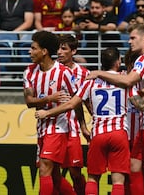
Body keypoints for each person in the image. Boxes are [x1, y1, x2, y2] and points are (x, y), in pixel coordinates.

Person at [86, 23, 144, 195]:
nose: (129, 42)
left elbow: (128, 81)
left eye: (133, 38)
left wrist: (99, 73)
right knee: (134, 165)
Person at [35, 47, 131, 195]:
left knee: (92, 178)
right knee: (118, 181)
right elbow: (140, 103)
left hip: (98, 134)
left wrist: (47, 113)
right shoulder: (124, 81)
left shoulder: (91, 82)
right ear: (118, 62)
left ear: (102, 63)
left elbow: (71, 104)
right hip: (119, 133)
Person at [23, 30, 76, 195]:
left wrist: (83, 125)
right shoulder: (29, 72)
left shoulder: (64, 72)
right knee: (54, 175)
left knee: (45, 168)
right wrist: (49, 98)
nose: (29, 52)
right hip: (42, 127)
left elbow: (77, 99)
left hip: (59, 128)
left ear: (44, 51)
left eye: (33, 48)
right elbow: (29, 102)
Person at [56, 34, 90, 195]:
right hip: (53, 127)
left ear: (74, 51)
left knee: (75, 172)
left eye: (64, 48)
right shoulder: (51, 71)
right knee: (49, 170)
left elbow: (88, 102)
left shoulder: (84, 74)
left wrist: (87, 126)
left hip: (73, 128)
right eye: (58, 48)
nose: (59, 52)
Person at [0, 0, 33, 72]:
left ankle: (28, 73)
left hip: (22, 33)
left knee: (28, 40)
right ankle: (1, 73)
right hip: (3, 33)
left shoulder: (27, 0)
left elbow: (28, 22)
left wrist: (13, 33)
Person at [73, 0, 121, 70]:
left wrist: (97, 27)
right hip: (92, 52)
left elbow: (112, 27)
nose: (94, 10)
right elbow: (74, 28)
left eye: (97, 8)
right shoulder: (87, 16)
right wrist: (79, 27)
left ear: (104, 8)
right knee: (77, 58)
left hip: (111, 52)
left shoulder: (110, 15)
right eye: (92, 8)